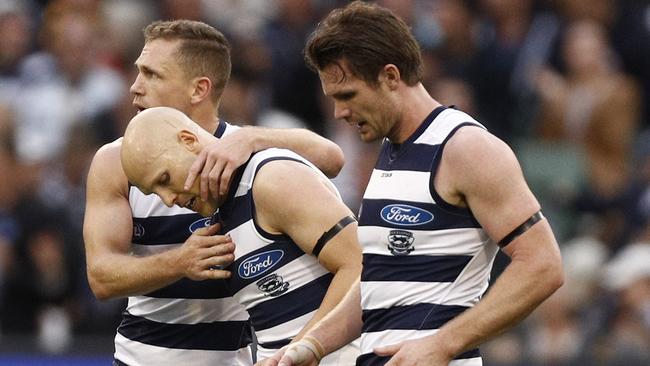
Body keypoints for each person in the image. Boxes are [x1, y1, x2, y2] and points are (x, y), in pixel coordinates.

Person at [264, 2, 564, 365]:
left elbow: (543, 264)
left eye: (347, 95)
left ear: (391, 76)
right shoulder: (392, 151)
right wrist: (309, 347)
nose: (339, 113)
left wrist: (445, 343)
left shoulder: (464, 147)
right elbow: (379, 285)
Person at [83, 20, 344, 366]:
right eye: (138, 73)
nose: (134, 87)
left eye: (152, 75)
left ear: (199, 89)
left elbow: (331, 158)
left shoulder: (243, 154)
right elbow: (100, 276)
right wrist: (180, 262)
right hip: (140, 356)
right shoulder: (115, 161)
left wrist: (253, 138)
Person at [120, 106, 362, 365]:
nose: (168, 200)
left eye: (165, 178)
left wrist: (304, 349)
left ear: (188, 141)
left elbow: (362, 264)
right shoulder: (222, 212)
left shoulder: (269, 178)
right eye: (154, 193)